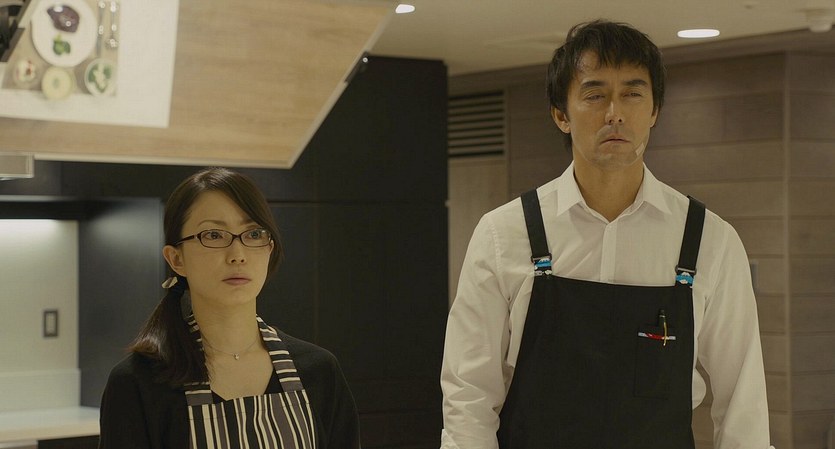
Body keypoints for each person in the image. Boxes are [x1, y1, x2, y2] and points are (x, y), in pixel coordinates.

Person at [440, 20, 773, 448]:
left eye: (633, 94)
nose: (615, 112)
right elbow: (469, 395)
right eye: (595, 94)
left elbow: (743, 400)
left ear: (654, 111)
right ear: (561, 115)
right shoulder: (505, 233)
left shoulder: (709, 239)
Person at [99, 167, 360, 448]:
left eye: (254, 233)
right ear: (176, 259)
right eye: (213, 235)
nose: (238, 255)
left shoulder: (320, 371)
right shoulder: (136, 384)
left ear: (269, 249)